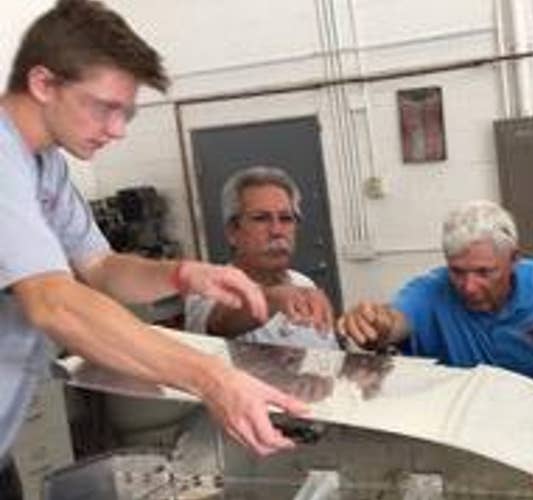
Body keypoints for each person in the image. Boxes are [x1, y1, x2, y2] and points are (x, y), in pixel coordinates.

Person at [0, 1, 309, 493]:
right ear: (43, 84)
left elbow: (100, 267)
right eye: (104, 107)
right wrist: (212, 378)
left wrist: (183, 274)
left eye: (126, 113)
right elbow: (53, 303)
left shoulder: (46, 165)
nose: (118, 129)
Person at [337, 199, 533, 390]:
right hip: (461, 433)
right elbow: (395, 321)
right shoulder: (430, 292)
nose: (469, 287)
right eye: (457, 271)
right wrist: (373, 323)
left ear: (514, 259)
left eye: (484, 272)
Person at [184, 166, 338, 350]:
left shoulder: (303, 283)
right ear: (233, 232)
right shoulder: (209, 288)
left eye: (286, 218)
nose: (277, 231)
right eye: (260, 218)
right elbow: (220, 323)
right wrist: (271, 298)